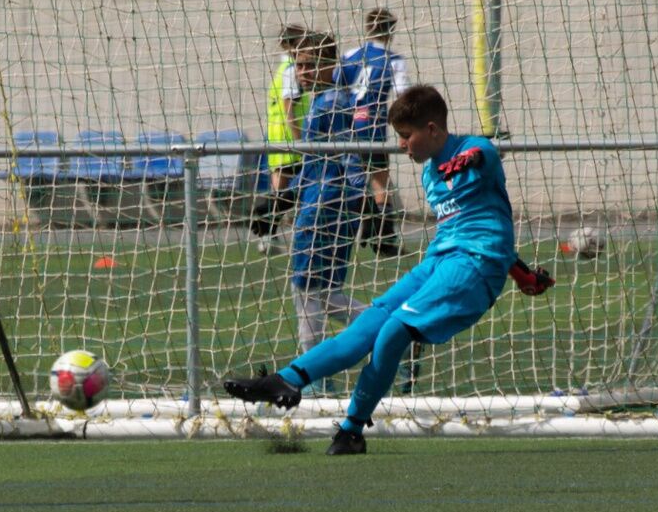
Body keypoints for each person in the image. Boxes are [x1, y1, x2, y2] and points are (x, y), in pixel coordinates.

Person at [224, 85, 553, 455]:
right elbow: (474, 222)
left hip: (473, 268)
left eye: (406, 136)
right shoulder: (430, 173)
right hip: (440, 261)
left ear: (432, 129)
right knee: (372, 320)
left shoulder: (477, 149)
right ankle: (287, 380)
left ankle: (351, 429)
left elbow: (481, 157)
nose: (402, 145)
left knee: (394, 331)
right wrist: (522, 275)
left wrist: (465, 161)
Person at [286, 35, 368, 364]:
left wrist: (356, 195)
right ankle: (393, 333)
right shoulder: (329, 100)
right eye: (299, 64)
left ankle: (309, 371)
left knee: (304, 289)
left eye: (309, 65)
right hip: (328, 201)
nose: (302, 71)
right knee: (327, 293)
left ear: (329, 66)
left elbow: (346, 155)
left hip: (323, 206)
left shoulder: (330, 103)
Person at [333, 8, 410, 257]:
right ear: (390, 30)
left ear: (368, 29)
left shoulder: (349, 55)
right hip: (373, 127)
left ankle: (356, 229)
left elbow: (336, 86)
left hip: (347, 127)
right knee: (379, 180)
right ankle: (383, 237)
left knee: (349, 179)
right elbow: (403, 97)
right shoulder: (393, 60)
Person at [250, 24, 312, 254]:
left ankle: (267, 237)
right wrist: (299, 140)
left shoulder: (283, 67)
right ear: (293, 45)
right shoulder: (290, 69)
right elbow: (288, 105)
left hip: (277, 136)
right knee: (301, 187)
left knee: (281, 191)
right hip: (289, 137)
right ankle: (265, 217)